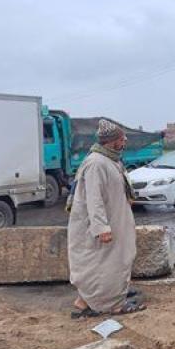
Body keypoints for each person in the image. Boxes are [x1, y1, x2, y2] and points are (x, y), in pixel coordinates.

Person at [67, 119, 145, 317]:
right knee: (104, 263)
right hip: (103, 225)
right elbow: (94, 199)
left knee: (109, 261)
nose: (125, 140)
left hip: (115, 219)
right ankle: (113, 305)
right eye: (121, 138)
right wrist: (102, 228)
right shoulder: (96, 163)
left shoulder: (110, 160)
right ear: (111, 141)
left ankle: (84, 302)